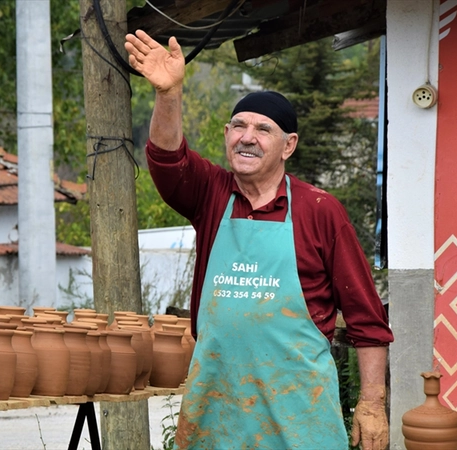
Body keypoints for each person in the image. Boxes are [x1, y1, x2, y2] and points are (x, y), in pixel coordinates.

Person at [125, 30, 393, 450]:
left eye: (262, 129)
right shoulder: (211, 194)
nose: (247, 136)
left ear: (288, 145)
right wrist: (169, 93)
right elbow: (166, 159)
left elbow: (367, 319)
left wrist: (372, 403)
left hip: (299, 416)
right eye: (239, 126)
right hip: (217, 414)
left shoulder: (320, 210)